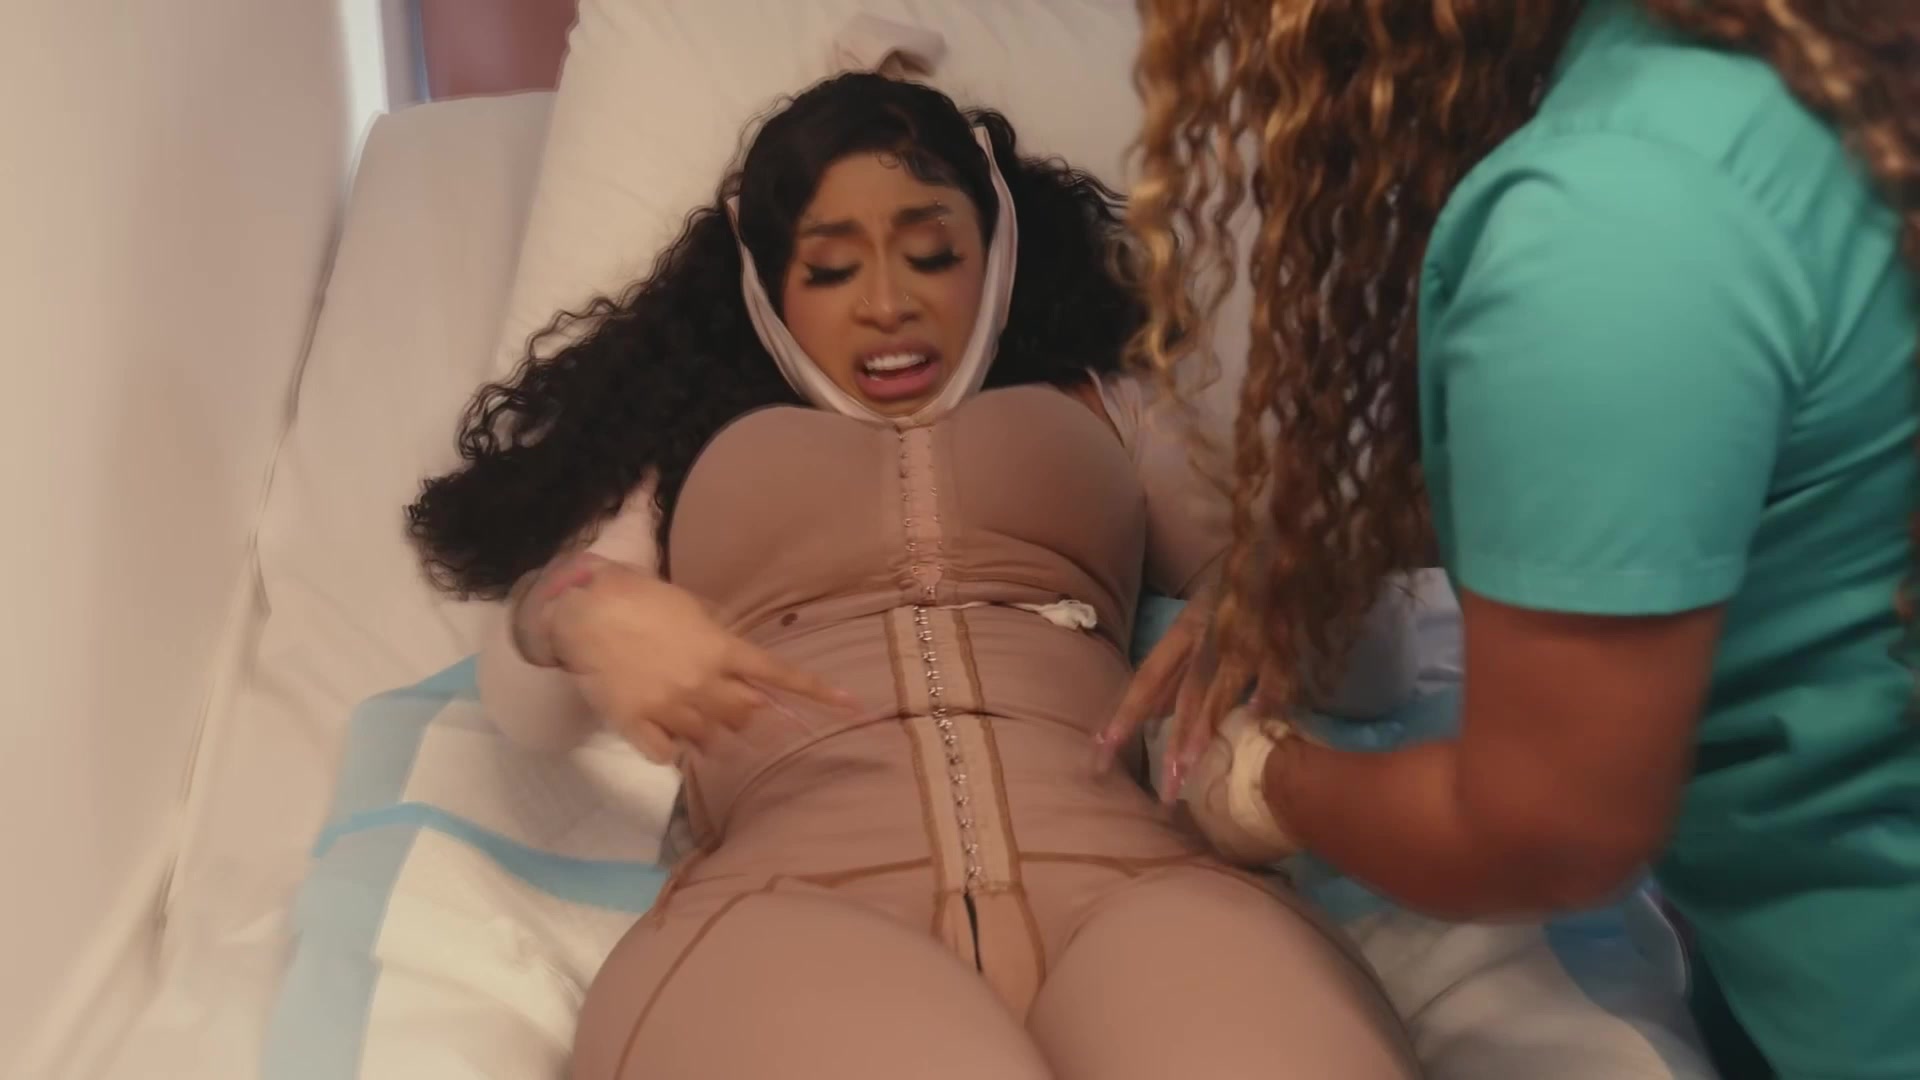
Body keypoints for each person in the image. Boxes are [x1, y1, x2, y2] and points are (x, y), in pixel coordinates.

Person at [406, 72, 1422, 1080]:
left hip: (1145, 889)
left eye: (934, 255)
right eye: (831, 271)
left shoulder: (1113, 410)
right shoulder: (689, 454)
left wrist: (1284, 587)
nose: (888, 305)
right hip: (785, 916)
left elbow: (1378, 673)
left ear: (998, 253)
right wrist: (579, 615)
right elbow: (528, 707)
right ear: (767, 288)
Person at [1112, 1, 1920, 1078]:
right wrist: (1305, 553)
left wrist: (1265, 784)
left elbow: (1547, 834)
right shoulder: (1782, 91)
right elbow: (1682, 488)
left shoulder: (1611, 212)